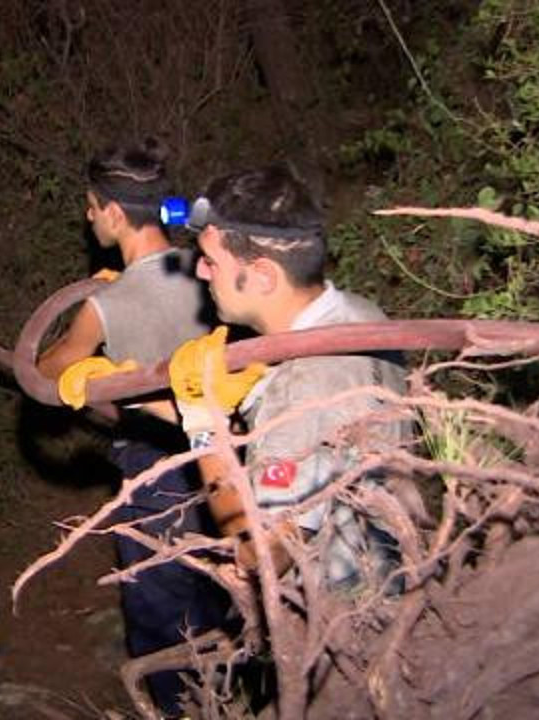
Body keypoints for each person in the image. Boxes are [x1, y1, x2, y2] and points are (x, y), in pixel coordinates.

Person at [37, 139, 231, 717]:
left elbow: (50, 370)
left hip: (156, 470)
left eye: (92, 207)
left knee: (160, 608)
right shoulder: (212, 270)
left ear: (115, 214)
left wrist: (93, 315)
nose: (88, 216)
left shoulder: (109, 302)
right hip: (225, 450)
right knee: (223, 587)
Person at [168, 165, 411, 589]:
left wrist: (204, 428)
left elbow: (259, 553)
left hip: (346, 623)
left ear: (263, 275)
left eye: (211, 262)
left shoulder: (309, 381)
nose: (201, 273)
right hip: (393, 574)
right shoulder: (357, 313)